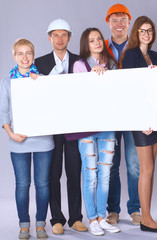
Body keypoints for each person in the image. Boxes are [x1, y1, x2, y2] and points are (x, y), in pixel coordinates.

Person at [65, 27, 120, 236]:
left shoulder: (112, 64)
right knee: (90, 174)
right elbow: (80, 96)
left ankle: (101, 216)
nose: (97, 43)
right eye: (92, 40)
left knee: (105, 173)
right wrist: (92, 76)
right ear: (85, 45)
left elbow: (119, 91)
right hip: (86, 126)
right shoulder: (80, 65)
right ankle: (92, 219)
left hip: (108, 125)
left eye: (99, 39)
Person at [35, 19, 87, 234]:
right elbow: (35, 95)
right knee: (52, 174)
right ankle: (56, 218)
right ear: (49, 38)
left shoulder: (79, 61)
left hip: (75, 126)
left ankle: (76, 217)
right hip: (52, 126)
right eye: (55, 35)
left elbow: (88, 92)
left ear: (69, 37)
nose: (59, 39)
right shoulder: (40, 63)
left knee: (75, 172)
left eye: (63, 35)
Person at [0, 39, 54, 239]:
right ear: (14, 57)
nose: (25, 57)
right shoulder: (7, 83)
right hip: (18, 140)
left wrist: (41, 84)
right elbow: (3, 112)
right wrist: (10, 133)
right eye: (20, 54)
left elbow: (52, 109)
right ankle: (24, 224)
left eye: (28, 53)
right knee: (22, 184)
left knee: (42, 184)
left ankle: (40, 223)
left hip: (43, 140)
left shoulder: (43, 80)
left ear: (33, 55)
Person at [121, 16, 157, 233]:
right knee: (145, 168)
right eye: (142, 30)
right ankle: (146, 219)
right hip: (141, 119)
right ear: (136, 33)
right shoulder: (130, 55)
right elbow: (130, 90)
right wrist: (142, 119)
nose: (146, 34)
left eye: (150, 30)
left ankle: (147, 216)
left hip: (155, 118)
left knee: (151, 168)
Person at [105, 3, 141, 226]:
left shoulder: (138, 48)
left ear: (129, 22)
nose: (119, 24)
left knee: (134, 163)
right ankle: (113, 210)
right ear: (109, 23)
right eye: (114, 20)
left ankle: (135, 208)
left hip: (133, 114)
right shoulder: (101, 47)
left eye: (123, 19)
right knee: (111, 163)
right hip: (109, 114)